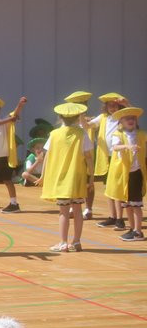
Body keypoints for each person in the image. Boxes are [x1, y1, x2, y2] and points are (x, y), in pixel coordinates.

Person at [41, 103, 93, 252]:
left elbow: (47, 155)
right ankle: (76, 241)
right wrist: (90, 177)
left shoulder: (54, 134)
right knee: (77, 209)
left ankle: (63, 242)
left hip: (61, 177)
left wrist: (44, 175)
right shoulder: (82, 133)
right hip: (77, 176)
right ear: (78, 117)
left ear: (60, 117)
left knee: (63, 211)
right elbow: (88, 157)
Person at [104, 106, 145, 241]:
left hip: (136, 173)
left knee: (136, 204)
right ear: (121, 121)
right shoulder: (118, 134)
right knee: (127, 204)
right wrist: (127, 146)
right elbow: (115, 147)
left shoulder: (141, 134)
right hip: (124, 173)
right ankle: (132, 228)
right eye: (127, 118)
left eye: (133, 118)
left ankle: (138, 232)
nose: (131, 120)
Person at [91, 93, 130, 230]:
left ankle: (120, 219)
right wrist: (80, 117)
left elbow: (132, 115)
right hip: (106, 157)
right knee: (108, 187)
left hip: (117, 157)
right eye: (109, 105)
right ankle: (112, 216)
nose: (112, 108)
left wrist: (126, 104)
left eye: (114, 105)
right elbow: (89, 125)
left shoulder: (122, 117)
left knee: (117, 188)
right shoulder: (103, 117)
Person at [64, 91, 95, 217]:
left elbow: (86, 125)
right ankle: (73, 206)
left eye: (83, 103)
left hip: (86, 153)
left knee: (88, 181)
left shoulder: (90, 119)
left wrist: (83, 115)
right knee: (73, 180)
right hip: (73, 154)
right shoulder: (68, 119)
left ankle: (88, 209)